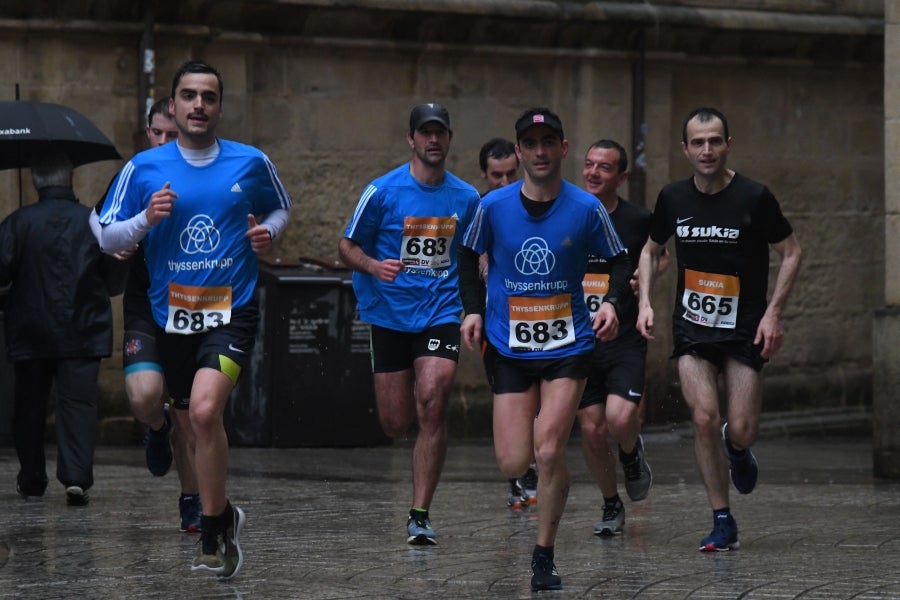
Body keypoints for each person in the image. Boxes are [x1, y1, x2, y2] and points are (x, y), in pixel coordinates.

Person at [97, 61, 292, 579]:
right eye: (189, 96)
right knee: (151, 402)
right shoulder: (143, 168)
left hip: (230, 310)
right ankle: (191, 469)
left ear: (219, 107)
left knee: (204, 414)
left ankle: (213, 529)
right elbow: (107, 238)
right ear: (174, 105)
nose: (199, 105)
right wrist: (146, 220)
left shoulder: (251, 162)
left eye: (208, 96)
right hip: (163, 311)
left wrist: (268, 235)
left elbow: (280, 209)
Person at [459, 108, 631, 591]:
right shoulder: (493, 207)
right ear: (518, 151)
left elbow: (620, 259)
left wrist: (614, 303)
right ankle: (553, 475)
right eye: (530, 143)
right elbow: (467, 253)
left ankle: (543, 554)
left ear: (562, 149)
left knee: (550, 447)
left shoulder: (585, 208)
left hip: (568, 345)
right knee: (515, 462)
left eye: (548, 141)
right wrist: (472, 310)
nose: (539, 151)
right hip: (509, 347)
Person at [636, 107, 801, 552]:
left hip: (745, 327)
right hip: (693, 328)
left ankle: (738, 446)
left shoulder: (754, 196)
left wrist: (773, 314)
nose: (706, 150)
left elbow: (791, 252)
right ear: (685, 149)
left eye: (714, 141)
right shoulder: (673, 198)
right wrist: (645, 302)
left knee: (741, 427)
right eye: (698, 142)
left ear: (727, 144)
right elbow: (650, 251)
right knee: (704, 416)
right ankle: (722, 518)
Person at [339, 103, 479, 546]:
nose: (433, 140)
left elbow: (478, 256)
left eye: (440, 133)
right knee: (395, 422)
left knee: (433, 396)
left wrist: (488, 297)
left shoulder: (467, 198)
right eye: (425, 132)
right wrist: (373, 265)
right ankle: (415, 438)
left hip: (440, 311)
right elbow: (346, 246)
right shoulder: (381, 192)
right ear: (411, 139)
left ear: (449, 140)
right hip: (389, 315)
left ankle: (420, 513)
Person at [90, 98, 202, 533]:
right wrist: (114, 239)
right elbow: (96, 220)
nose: (164, 141)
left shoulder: (206, 171)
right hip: (144, 299)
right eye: (157, 133)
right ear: (148, 133)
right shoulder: (137, 170)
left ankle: (191, 500)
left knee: (190, 416)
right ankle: (155, 428)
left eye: (172, 134)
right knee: (142, 396)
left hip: (193, 302)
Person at [0, 148, 117, 507]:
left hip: (31, 329)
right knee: (78, 404)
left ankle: (32, 477)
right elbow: (112, 276)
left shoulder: (18, 223)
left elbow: (2, 273)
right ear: (70, 179)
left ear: (36, 182)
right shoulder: (91, 222)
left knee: (30, 404)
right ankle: (76, 477)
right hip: (84, 328)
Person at [577, 139, 669, 536]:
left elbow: (660, 253)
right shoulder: (571, 213)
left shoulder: (637, 218)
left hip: (625, 337)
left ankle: (631, 454)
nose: (594, 172)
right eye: (589, 165)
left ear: (621, 176)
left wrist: (647, 275)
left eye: (605, 167)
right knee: (592, 428)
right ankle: (611, 504)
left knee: (619, 418)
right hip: (578, 339)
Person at [476, 137, 537, 509]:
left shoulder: (539, 202)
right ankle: (518, 475)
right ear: (484, 175)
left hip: (542, 319)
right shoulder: (483, 210)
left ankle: (533, 466)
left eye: (509, 174)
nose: (504, 182)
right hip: (497, 324)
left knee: (541, 402)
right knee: (508, 398)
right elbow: (472, 263)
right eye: (496, 176)